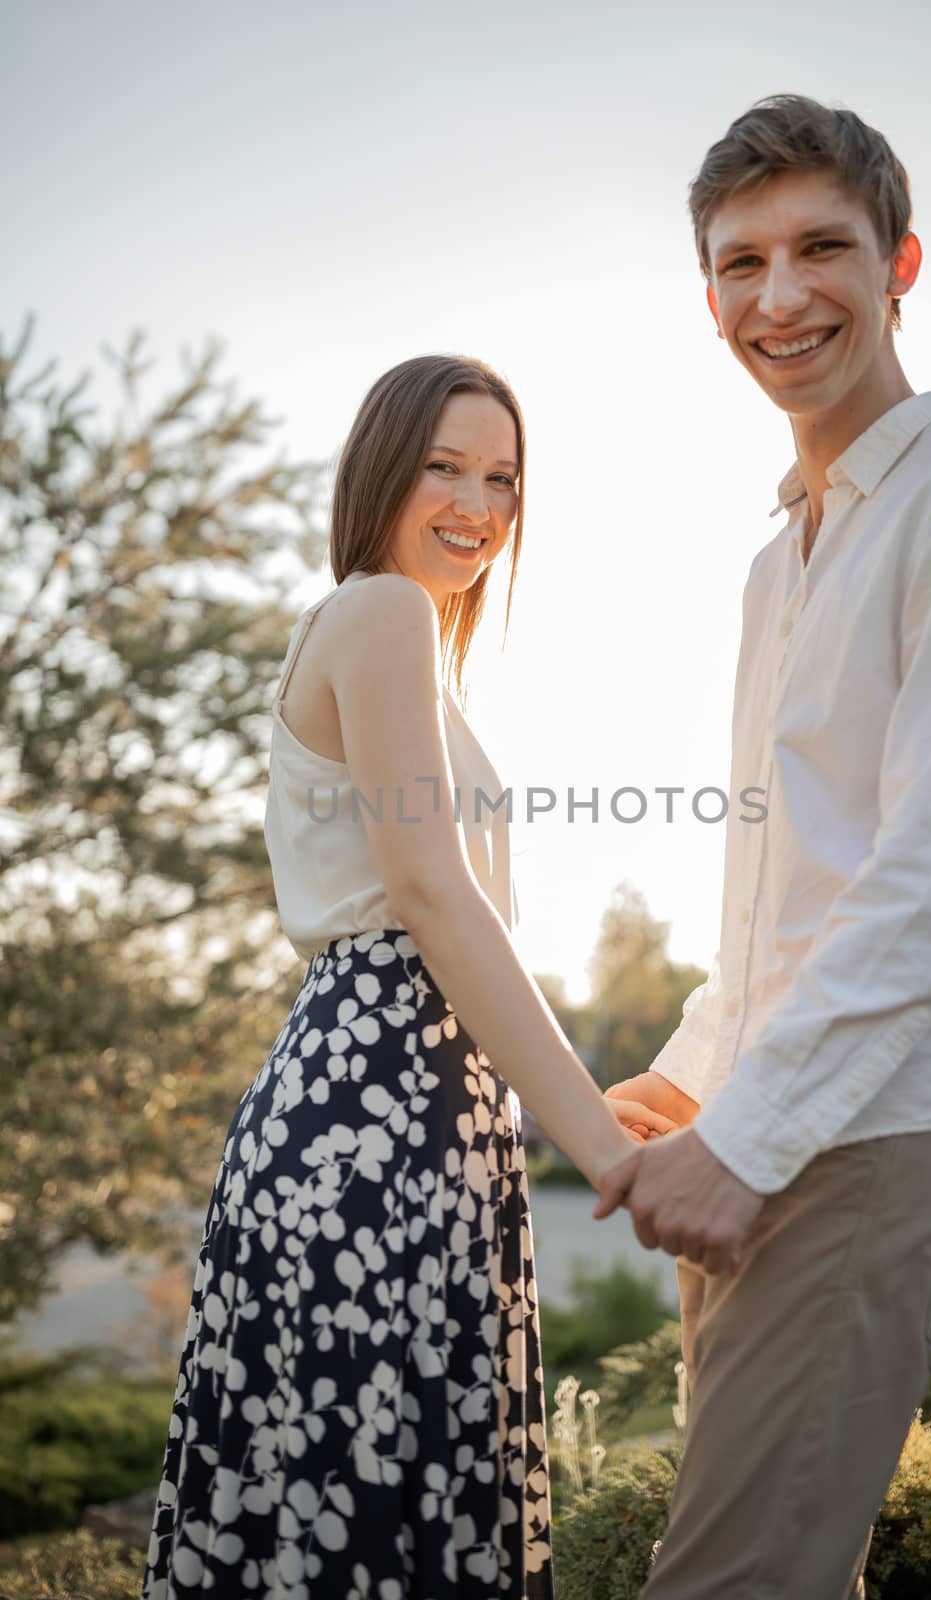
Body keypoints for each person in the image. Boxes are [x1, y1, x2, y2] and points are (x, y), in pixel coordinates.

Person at [597, 94, 931, 1599]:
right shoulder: (770, 558)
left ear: (898, 264)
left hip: (880, 1129)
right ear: (707, 297)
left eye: (819, 248)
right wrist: (694, 1068)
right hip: (771, 1115)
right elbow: (781, 876)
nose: (777, 295)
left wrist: (744, 1133)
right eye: (739, 263)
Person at [141, 354, 672, 1600]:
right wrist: (601, 1147)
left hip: (406, 1101)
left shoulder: (414, 645)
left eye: (502, 476)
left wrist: (585, 1095)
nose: (476, 502)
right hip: (371, 1116)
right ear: (382, 467)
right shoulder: (377, 611)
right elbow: (434, 899)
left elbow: (459, 917)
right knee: (366, 1514)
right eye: (444, 465)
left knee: (374, 1510)